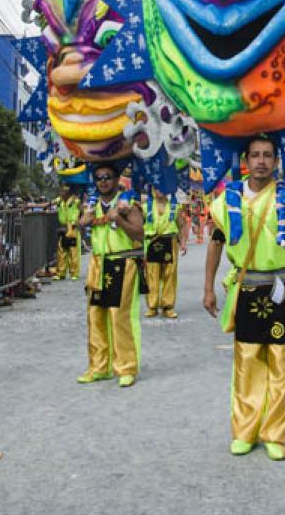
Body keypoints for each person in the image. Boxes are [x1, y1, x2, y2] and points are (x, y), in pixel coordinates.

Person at [203, 135, 285, 461]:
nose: (261, 161)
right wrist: (207, 287)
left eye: (267, 155)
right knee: (247, 362)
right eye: (255, 155)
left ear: (275, 160)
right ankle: (244, 431)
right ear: (246, 159)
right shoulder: (227, 199)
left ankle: (275, 433)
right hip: (248, 288)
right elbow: (216, 243)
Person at [77, 164, 145, 387]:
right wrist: (82, 222)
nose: (103, 181)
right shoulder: (91, 205)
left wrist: (119, 219)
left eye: (107, 177)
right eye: (98, 178)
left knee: (119, 317)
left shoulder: (128, 205)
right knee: (95, 316)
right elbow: (82, 225)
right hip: (98, 264)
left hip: (122, 263)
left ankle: (126, 367)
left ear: (117, 180)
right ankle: (99, 367)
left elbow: (139, 234)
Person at [143, 187, 187, 318]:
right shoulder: (145, 207)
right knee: (151, 275)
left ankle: (168, 306)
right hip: (151, 242)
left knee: (170, 274)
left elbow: (182, 225)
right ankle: (152, 306)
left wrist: (183, 242)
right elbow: (139, 226)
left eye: (162, 186)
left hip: (170, 242)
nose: (159, 190)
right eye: (156, 187)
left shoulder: (175, 206)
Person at [53, 183, 82, 280]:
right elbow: (48, 204)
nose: (62, 192)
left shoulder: (75, 201)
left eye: (64, 191)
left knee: (73, 250)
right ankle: (61, 272)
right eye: (61, 190)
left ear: (69, 192)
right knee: (61, 249)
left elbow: (83, 210)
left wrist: (78, 222)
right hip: (63, 226)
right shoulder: (58, 200)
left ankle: (74, 273)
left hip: (72, 227)